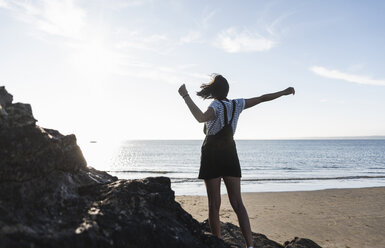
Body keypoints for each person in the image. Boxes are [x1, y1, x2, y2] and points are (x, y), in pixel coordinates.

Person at [178, 74, 295, 248]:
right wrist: (284, 92)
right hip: (230, 153)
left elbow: (201, 118)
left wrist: (185, 96)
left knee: (214, 205)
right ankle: (250, 246)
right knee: (238, 203)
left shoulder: (215, 105)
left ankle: (218, 244)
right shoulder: (237, 104)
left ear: (213, 90)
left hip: (212, 154)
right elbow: (262, 98)